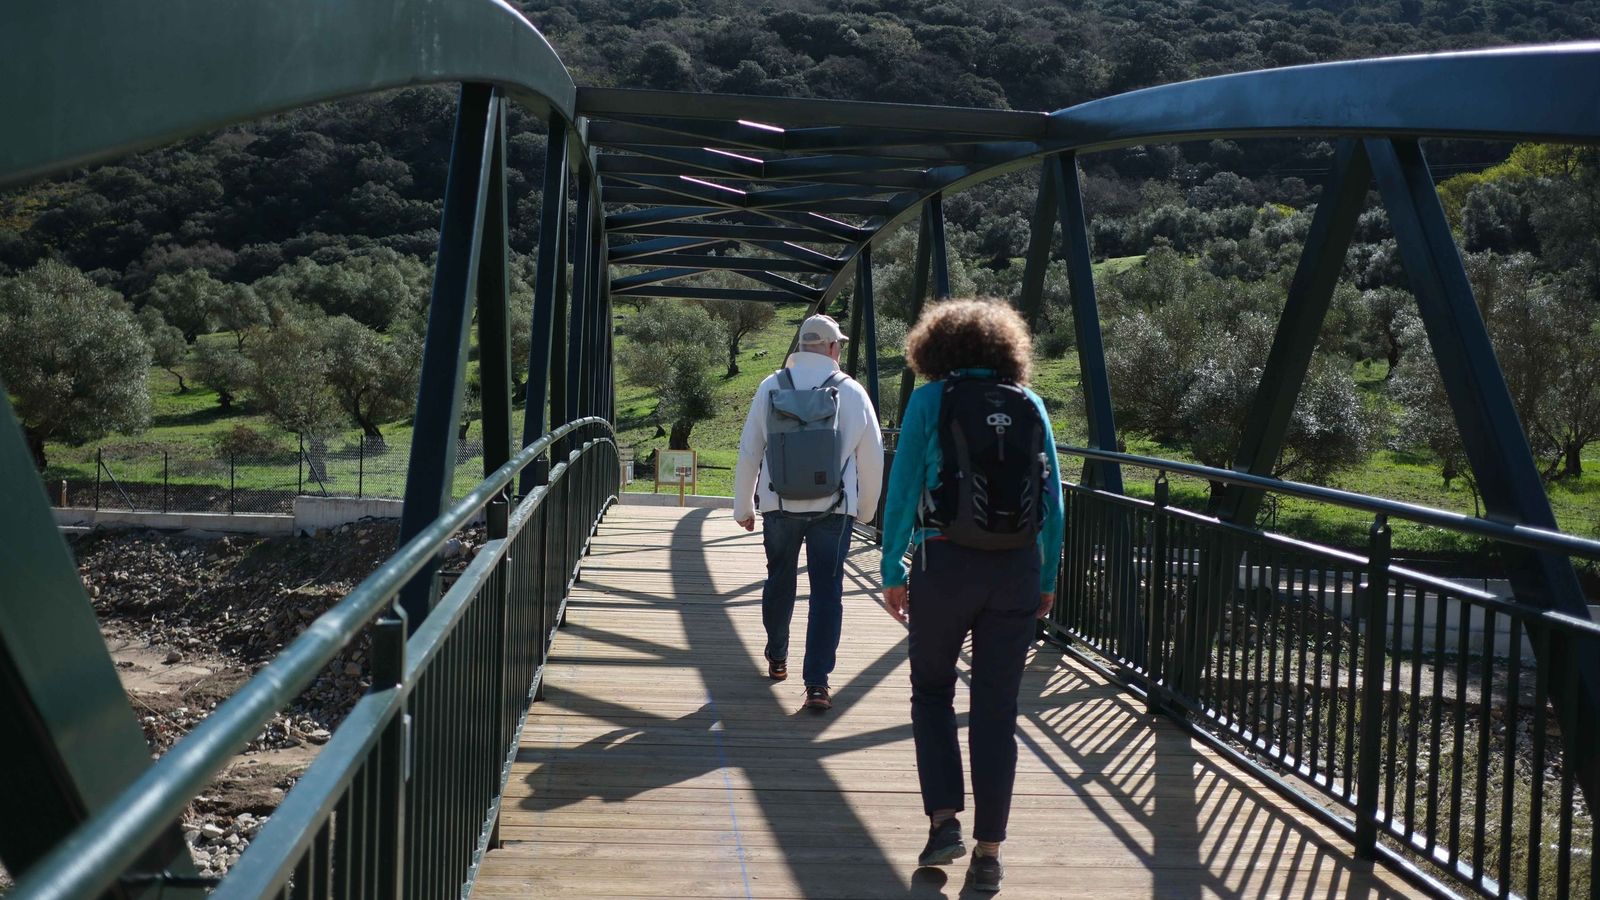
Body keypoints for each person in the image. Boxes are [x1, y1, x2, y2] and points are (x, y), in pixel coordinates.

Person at [878, 299, 1064, 893]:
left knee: (931, 692)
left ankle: (943, 824)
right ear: (1007, 350)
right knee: (996, 709)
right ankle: (989, 852)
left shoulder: (931, 400)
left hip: (944, 564)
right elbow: (1055, 504)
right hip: (1014, 571)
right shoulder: (1030, 404)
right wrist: (1047, 577)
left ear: (936, 348)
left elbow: (904, 484)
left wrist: (891, 566)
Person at [734, 313, 884, 711]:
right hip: (834, 511)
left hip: (778, 505)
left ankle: (777, 654)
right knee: (827, 592)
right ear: (834, 348)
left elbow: (750, 449)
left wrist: (743, 505)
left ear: (801, 346)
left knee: (779, 581)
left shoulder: (771, 386)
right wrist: (865, 510)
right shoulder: (851, 392)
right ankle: (817, 683)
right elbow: (872, 457)